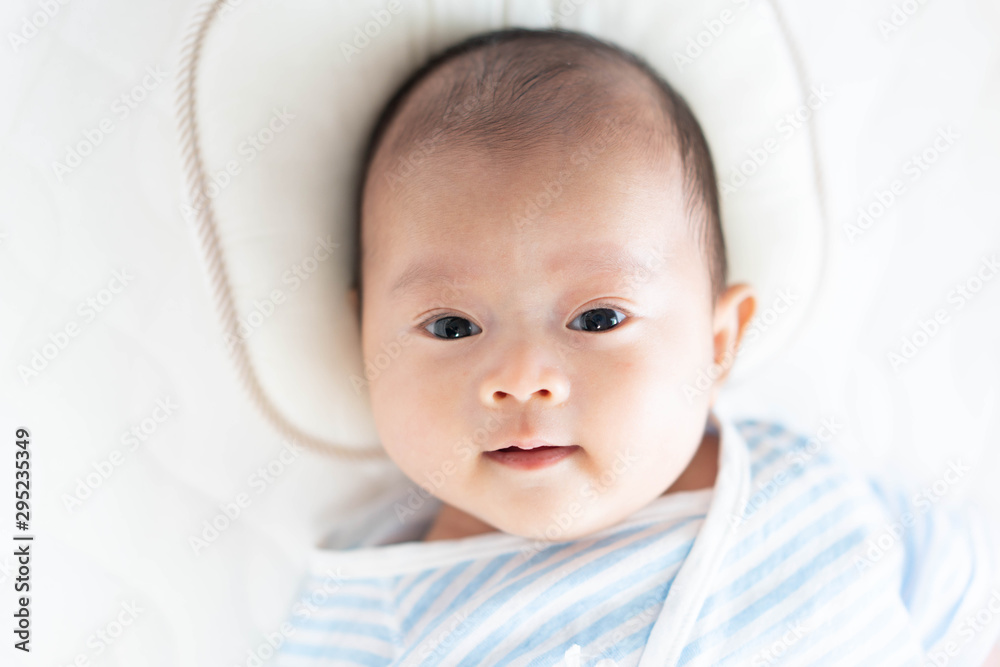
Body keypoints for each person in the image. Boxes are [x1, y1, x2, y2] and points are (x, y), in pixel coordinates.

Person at [274, 27, 1000, 666]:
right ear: (364, 343)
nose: (523, 379)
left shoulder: (805, 482)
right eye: (453, 327)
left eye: (596, 319)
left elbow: (969, 614)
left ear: (717, 344)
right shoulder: (377, 614)